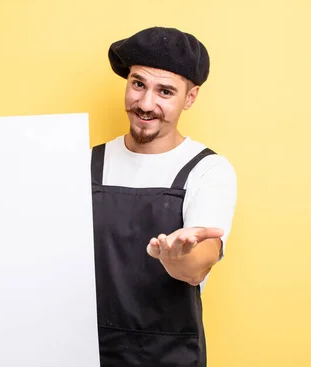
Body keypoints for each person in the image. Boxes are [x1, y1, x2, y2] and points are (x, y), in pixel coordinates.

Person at [90, 26, 237, 367]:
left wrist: (177, 260)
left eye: (165, 92)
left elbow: (200, 263)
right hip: (86, 349)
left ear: (190, 97)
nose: (145, 104)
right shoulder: (85, 163)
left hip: (167, 357)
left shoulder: (208, 170)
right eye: (138, 84)